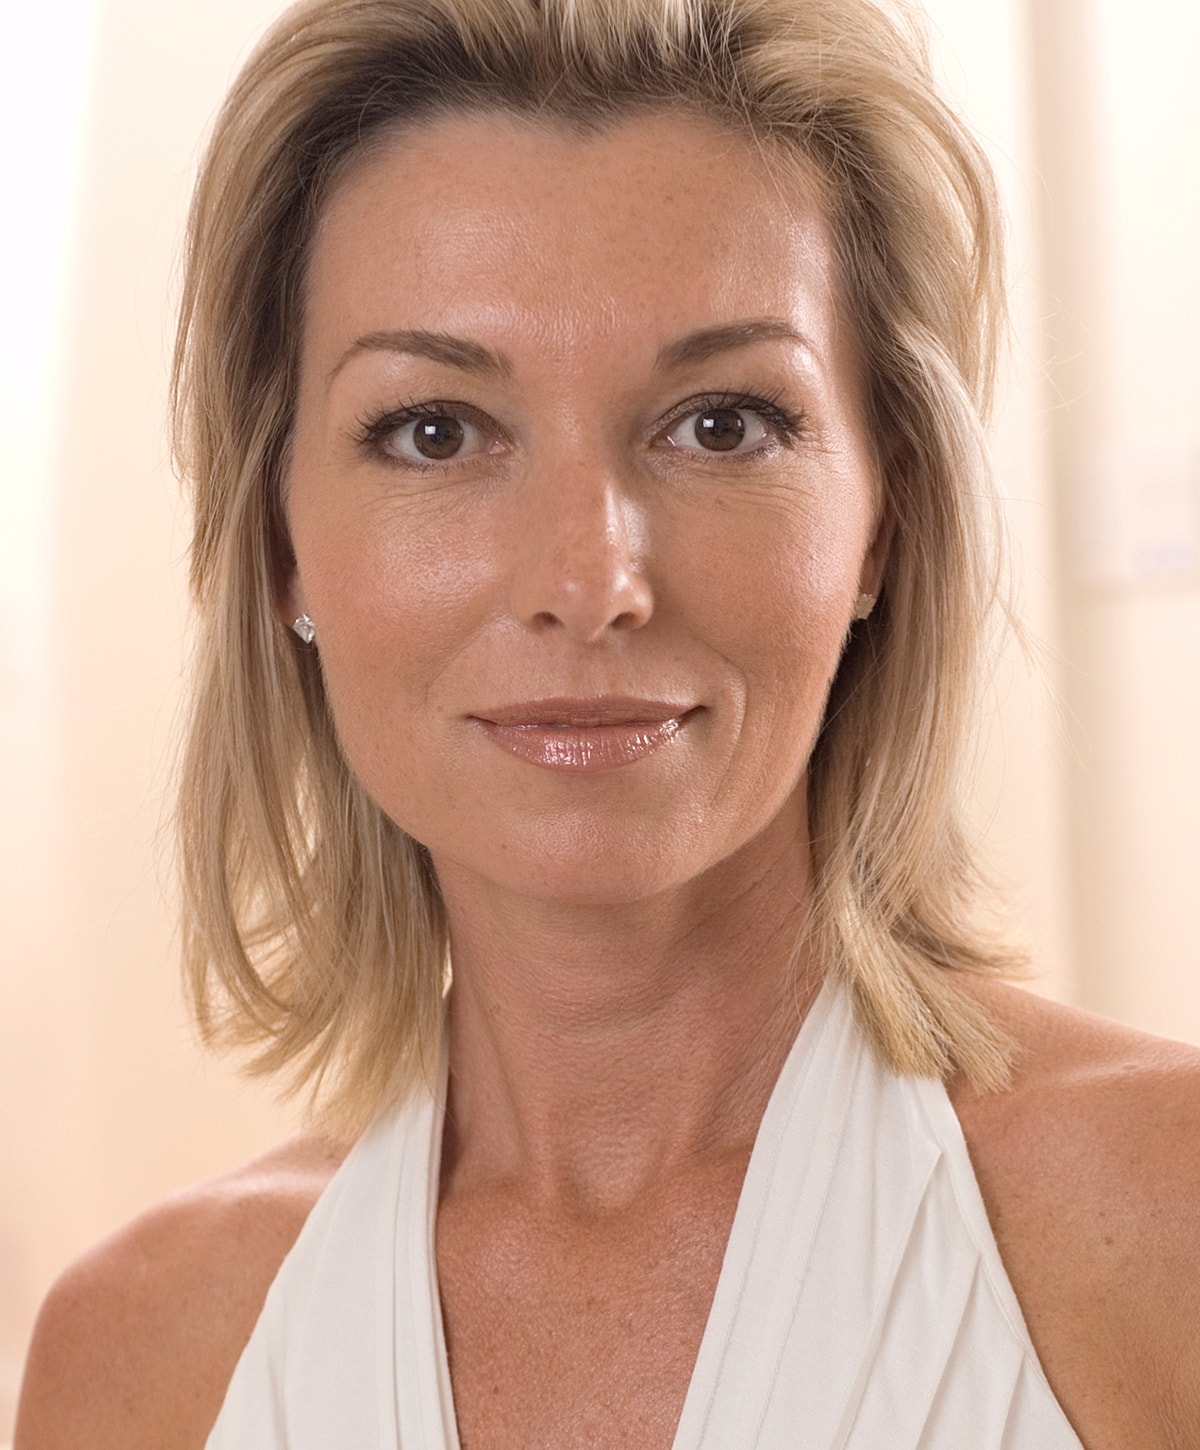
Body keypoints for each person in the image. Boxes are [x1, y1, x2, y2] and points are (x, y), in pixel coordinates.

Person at [14, 0, 1200, 1445]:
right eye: (436, 430)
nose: (590, 583)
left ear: (885, 517)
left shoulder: (1161, 1222)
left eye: (719, 424)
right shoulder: (141, 1360)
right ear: (280, 543)